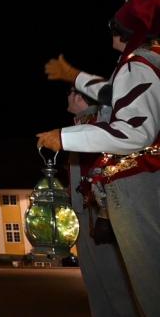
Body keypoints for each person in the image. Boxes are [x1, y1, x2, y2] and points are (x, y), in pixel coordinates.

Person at [38, 0, 160, 316]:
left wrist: (62, 137)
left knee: (149, 286)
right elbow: (112, 93)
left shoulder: (139, 63)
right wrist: (73, 74)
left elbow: (134, 130)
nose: (111, 33)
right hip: (137, 187)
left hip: (139, 185)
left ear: (128, 30)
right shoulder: (142, 64)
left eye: (114, 26)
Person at [61, 86, 138, 317]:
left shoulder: (97, 123)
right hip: (85, 215)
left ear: (79, 97)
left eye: (70, 92)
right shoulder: (82, 123)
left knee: (114, 282)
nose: (67, 97)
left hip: (101, 215)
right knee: (96, 282)